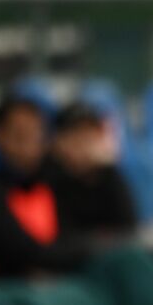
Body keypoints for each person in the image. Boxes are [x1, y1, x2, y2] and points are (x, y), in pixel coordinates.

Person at [0, 94, 89, 278]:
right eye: (19, 136)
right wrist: (89, 252)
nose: (28, 147)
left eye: (36, 137)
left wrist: (103, 172)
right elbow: (21, 251)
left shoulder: (51, 175)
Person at [48, 101, 137, 238]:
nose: (84, 142)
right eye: (77, 134)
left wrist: (107, 169)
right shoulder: (50, 178)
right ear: (59, 141)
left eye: (90, 134)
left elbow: (129, 225)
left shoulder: (107, 174)